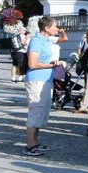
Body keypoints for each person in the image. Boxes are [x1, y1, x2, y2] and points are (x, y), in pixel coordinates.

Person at [23, 17, 65, 156]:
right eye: (55, 26)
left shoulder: (45, 41)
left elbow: (42, 59)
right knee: (35, 112)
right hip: (36, 81)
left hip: (45, 80)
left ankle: (35, 142)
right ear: (46, 28)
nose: (57, 29)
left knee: (41, 112)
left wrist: (52, 62)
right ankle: (29, 145)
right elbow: (32, 64)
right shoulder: (36, 41)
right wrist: (53, 65)